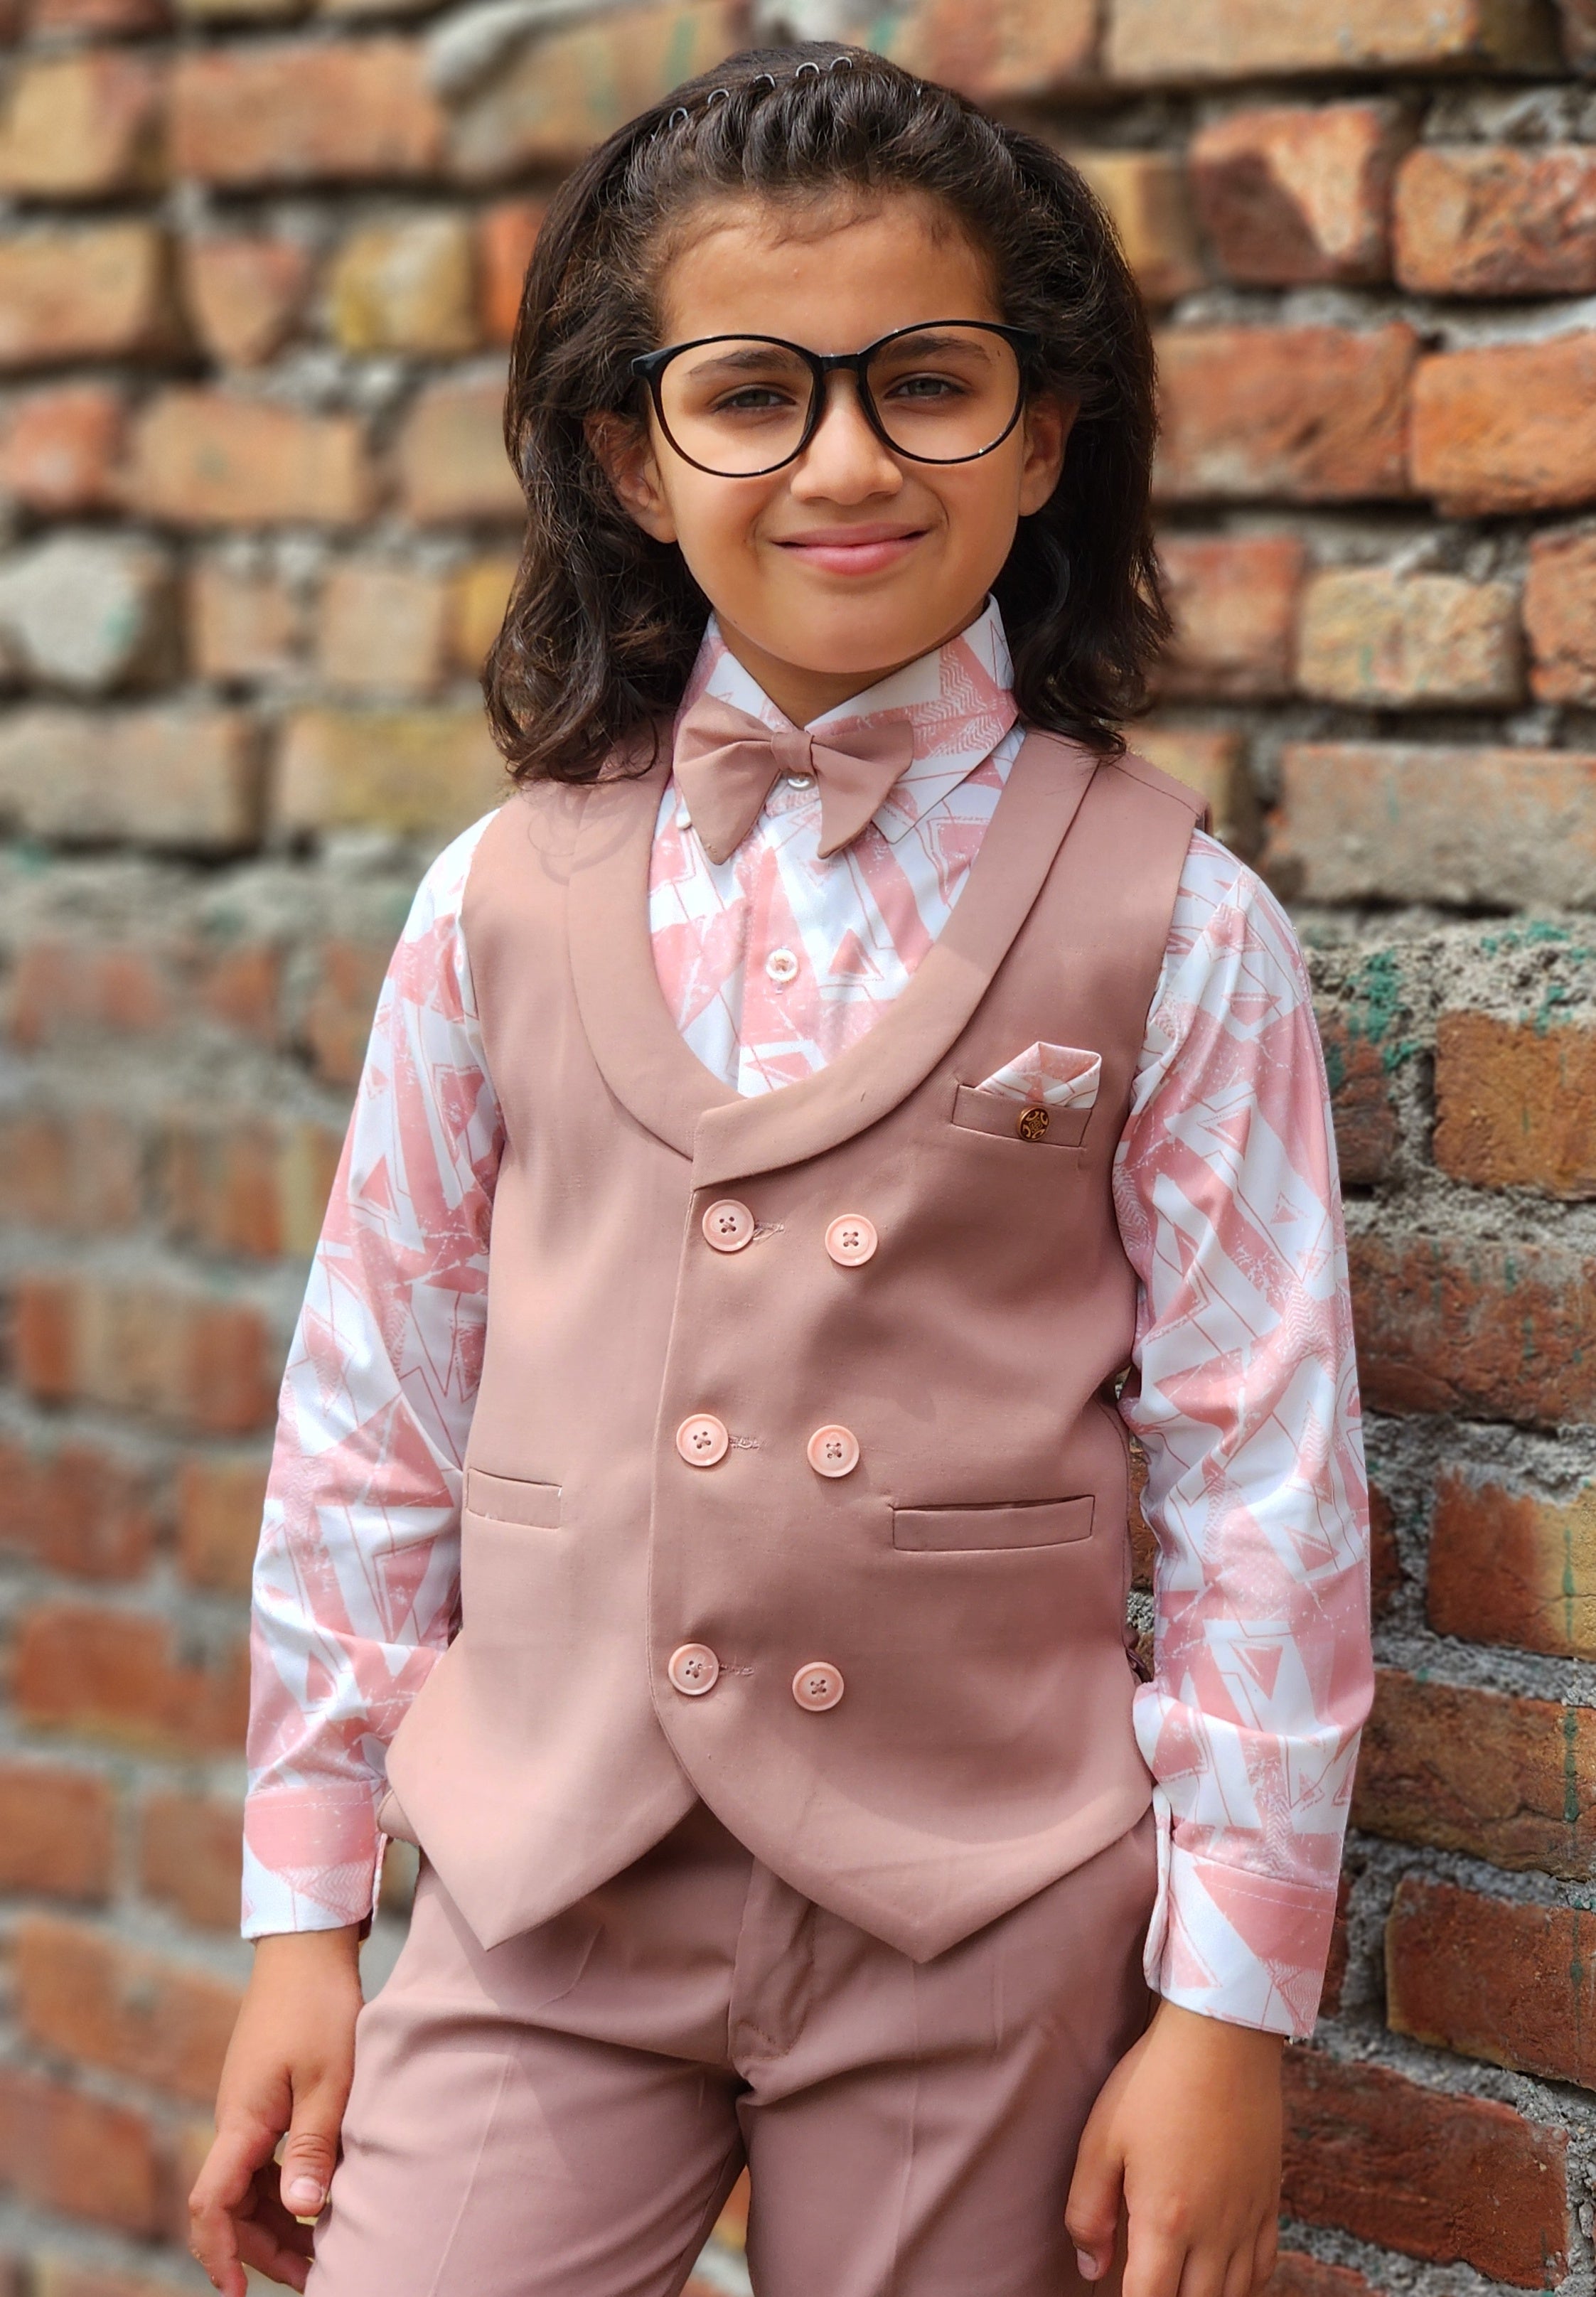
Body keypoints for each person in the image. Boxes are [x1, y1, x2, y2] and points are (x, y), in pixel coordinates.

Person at [188, 41, 1373, 2297]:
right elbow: (368, 1425)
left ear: (1043, 431)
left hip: (981, 1907)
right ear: (636, 456)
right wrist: (302, 1919)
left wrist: (1228, 2008)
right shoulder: (494, 899)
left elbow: (1267, 1481)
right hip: (542, 1886)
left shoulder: (1177, 921)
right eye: (752, 393)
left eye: (925, 382)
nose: (843, 457)